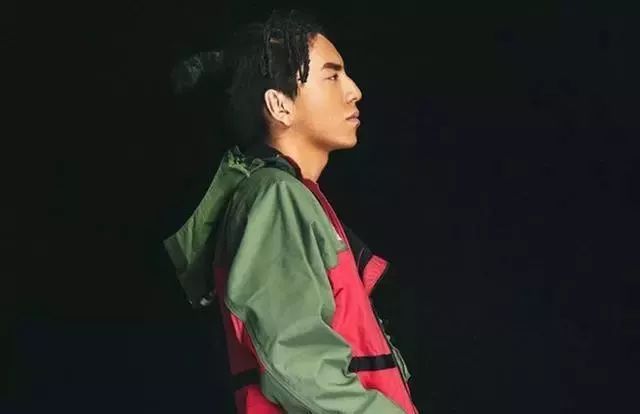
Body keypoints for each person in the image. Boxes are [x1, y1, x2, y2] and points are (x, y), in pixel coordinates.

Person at [164, 9, 419, 413]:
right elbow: (299, 365)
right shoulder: (275, 196)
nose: (354, 91)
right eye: (332, 77)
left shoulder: (294, 196)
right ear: (280, 105)